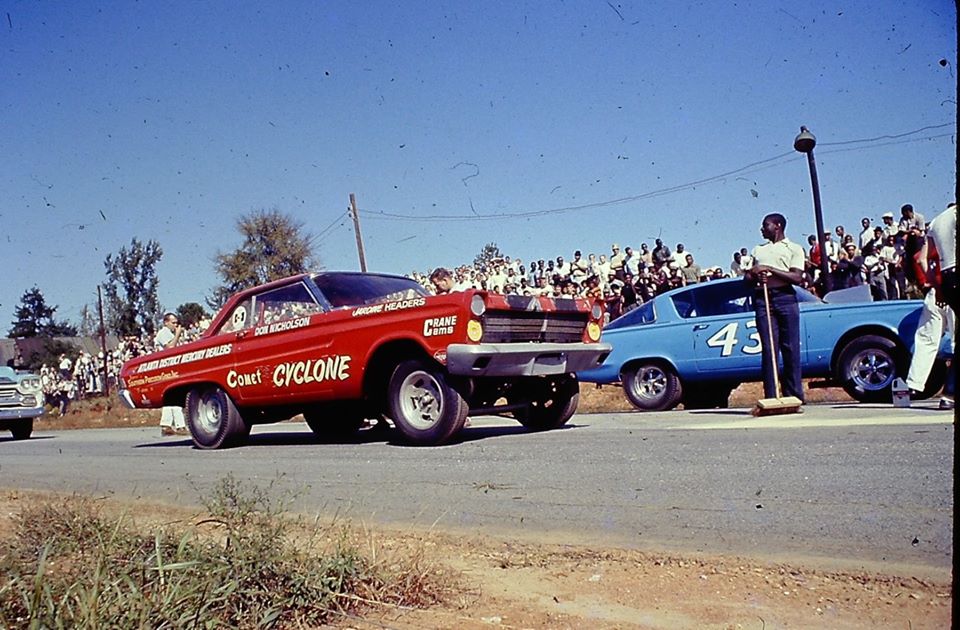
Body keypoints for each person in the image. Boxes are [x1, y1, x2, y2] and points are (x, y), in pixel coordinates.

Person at [745, 212, 806, 404]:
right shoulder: (757, 250)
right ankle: (771, 396)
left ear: (778, 226)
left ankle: (794, 395)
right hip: (763, 300)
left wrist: (770, 270)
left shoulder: (794, 248)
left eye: (766, 225)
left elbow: (797, 277)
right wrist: (755, 273)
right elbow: (746, 279)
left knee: (790, 347)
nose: (762, 229)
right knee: (769, 348)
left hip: (785, 298)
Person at [155, 312, 189, 436]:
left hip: (172, 367)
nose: (175, 325)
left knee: (172, 398)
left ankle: (168, 425)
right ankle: (179, 426)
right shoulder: (163, 333)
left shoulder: (170, 334)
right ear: (166, 322)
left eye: (176, 323)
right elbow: (170, 348)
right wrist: (178, 335)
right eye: (173, 322)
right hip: (165, 367)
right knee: (174, 397)